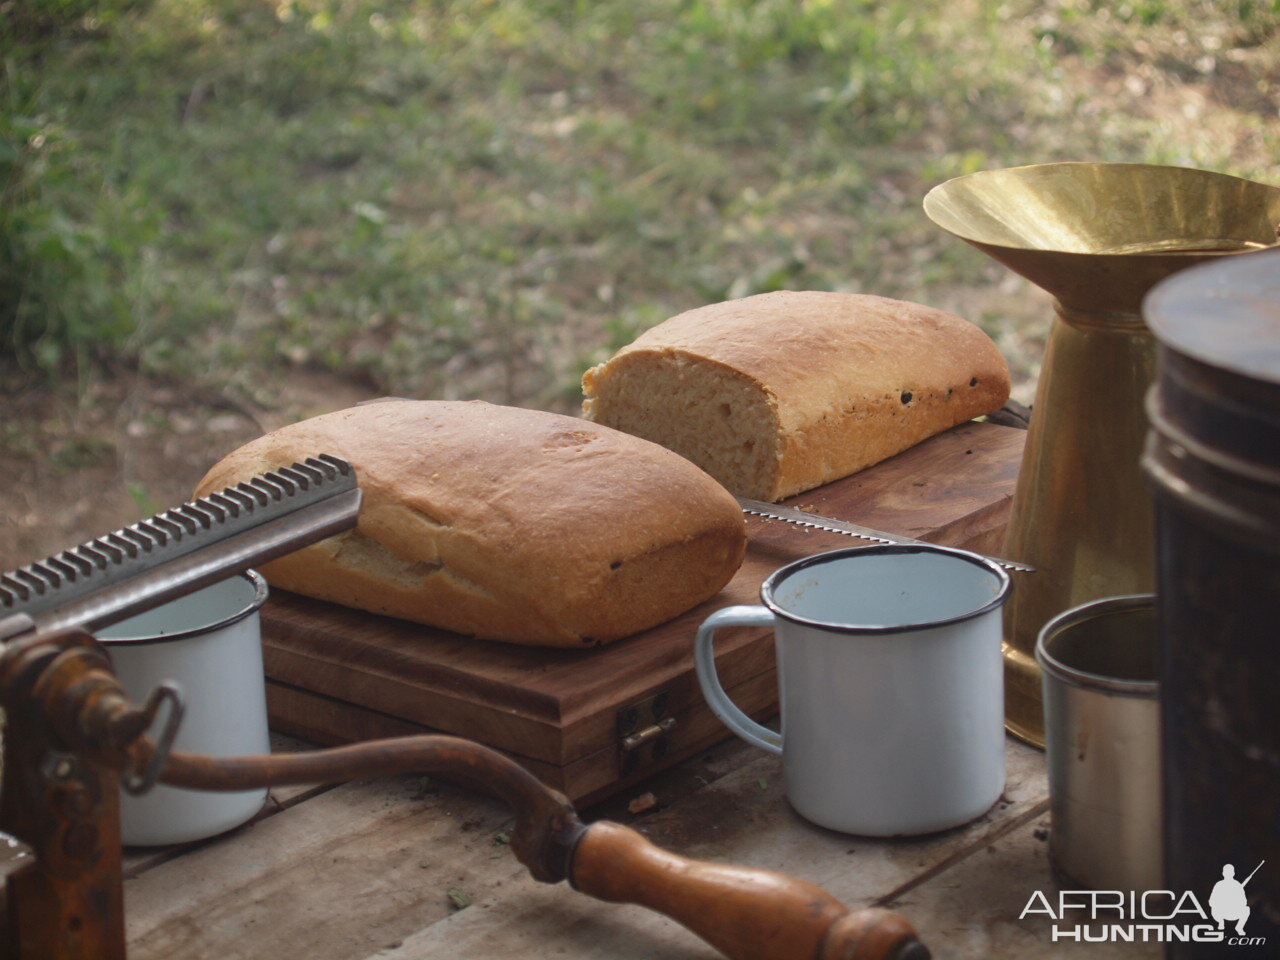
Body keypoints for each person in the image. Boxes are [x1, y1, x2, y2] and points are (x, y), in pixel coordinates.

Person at [1209, 864, 1251, 936]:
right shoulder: (1219, 885)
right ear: (1223, 873)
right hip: (1221, 912)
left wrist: (1235, 901)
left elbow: (1244, 902)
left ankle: (1239, 927)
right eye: (1226, 872)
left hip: (1233, 912)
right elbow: (1211, 902)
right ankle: (1221, 922)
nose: (1228, 874)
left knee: (1246, 909)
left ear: (1233, 873)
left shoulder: (1237, 885)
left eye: (1230, 872)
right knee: (1214, 909)